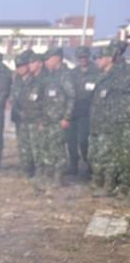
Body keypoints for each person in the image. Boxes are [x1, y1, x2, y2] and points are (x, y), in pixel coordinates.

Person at [88, 41, 129, 196]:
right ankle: (104, 184)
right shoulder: (101, 76)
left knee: (111, 156)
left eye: (100, 57)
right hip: (99, 122)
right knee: (97, 155)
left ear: (109, 58)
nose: (97, 60)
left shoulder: (122, 75)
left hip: (115, 123)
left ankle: (110, 186)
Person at [37, 47, 75, 185]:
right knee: (47, 146)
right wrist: (41, 118)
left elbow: (71, 97)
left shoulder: (65, 75)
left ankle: (59, 177)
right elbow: (45, 99)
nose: (46, 61)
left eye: (48, 58)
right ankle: (49, 174)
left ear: (57, 58)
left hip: (59, 119)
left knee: (58, 147)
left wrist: (67, 117)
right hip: (48, 119)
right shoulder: (50, 75)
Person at [70, 45, 101, 178]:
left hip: (88, 111)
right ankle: (73, 166)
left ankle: (88, 165)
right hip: (73, 110)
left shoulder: (97, 72)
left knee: (83, 140)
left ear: (88, 57)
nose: (82, 60)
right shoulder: (73, 73)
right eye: (80, 57)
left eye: (84, 57)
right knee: (70, 140)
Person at [9, 50, 36, 177]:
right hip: (18, 117)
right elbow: (13, 96)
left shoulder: (33, 79)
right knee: (22, 144)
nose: (20, 69)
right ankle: (25, 168)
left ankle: (33, 169)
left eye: (22, 66)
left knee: (32, 143)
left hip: (30, 117)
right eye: (18, 67)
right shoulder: (17, 80)